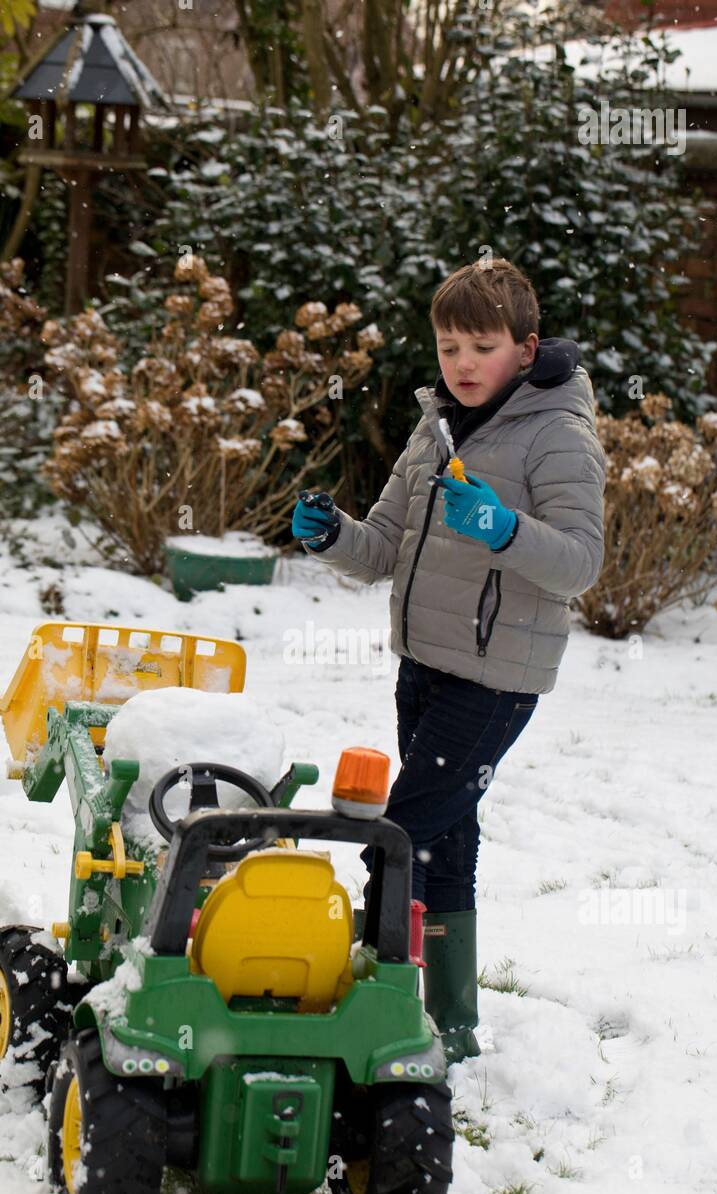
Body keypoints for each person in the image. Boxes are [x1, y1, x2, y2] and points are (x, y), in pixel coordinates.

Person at [291, 258, 606, 1064]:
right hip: (424, 666)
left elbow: (579, 563)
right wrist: (330, 539)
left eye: (482, 346)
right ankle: (452, 1025)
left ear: (526, 349)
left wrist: (503, 529)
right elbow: (385, 549)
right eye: (449, 347)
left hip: (495, 681)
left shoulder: (557, 436)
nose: (462, 364)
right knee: (443, 842)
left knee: (395, 837)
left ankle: (368, 1006)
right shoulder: (434, 429)